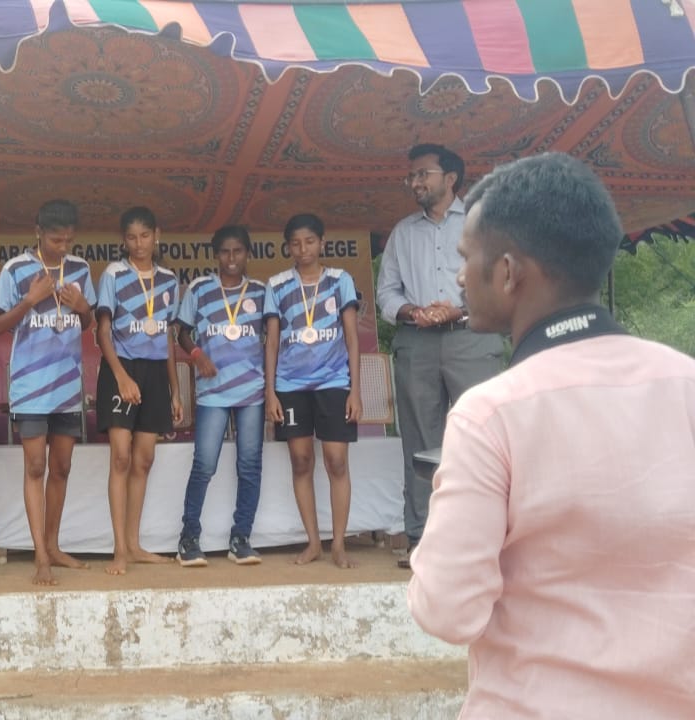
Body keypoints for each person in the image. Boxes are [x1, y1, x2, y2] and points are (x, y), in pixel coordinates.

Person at [407, 152, 695, 718]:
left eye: (466, 259)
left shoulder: (489, 416)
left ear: (508, 272)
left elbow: (446, 611)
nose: (460, 277)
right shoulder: (686, 384)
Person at [376, 143, 503, 567]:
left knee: (483, 436)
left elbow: (500, 282)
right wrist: (413, 311)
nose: (414, 182)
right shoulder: (402, 232)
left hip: (472, 336)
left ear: (450, 179)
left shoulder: (483, 222)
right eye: (411, 176)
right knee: (419, 442)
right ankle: (422, 540)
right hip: (417, 342)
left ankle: (485, 540)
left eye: (422, 174)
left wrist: (459, 310)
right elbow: (386, 292)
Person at [0, 200, 96, 585]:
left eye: (68, 240)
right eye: (55, 240)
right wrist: (30, 301)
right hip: (30, 387)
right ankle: (40, 556)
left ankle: (53, 546)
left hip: (68, 386)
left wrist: (83, 307)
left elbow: (87, 323)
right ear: (38, 232)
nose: (62, 247)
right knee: (36, 467)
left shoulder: (80, 269)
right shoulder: (15, 269)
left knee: (61, 467)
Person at [265, 214, 362, 569]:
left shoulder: (340, 280)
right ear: (288, 247)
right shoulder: (276, 285)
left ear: (322, 242)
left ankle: (339, 543)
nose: (302, 249)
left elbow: (352, 337)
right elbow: (271, 342)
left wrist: (355, 390)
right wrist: (271, 392)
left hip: (334, 383)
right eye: (295, 243)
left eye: (309, 241)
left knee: (337, 461)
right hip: (290, 386)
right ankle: (313, 542)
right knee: (301, 461)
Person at [174, 226, 270, 567]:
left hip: (252, 391)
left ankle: (241, 538)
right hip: (212, 392)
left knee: (250, 466)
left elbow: (273, 338)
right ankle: (188, 538)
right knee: (204, 464)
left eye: (238, 251)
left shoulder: (261, 292)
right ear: (216, 254)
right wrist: (197, 354)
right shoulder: (200, 289)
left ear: (248, 253)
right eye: (225, 251)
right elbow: (181, 333)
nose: (231, 258)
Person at [95, 206, 183, 576]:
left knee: (143, 459)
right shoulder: (114, 274)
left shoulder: (169, 280)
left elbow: (167, 338)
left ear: (156, 236)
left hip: (155, 372)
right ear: (123, 240)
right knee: (121, 457)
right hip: (122, 369)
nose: (139, 243)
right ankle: (119, 549)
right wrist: (121, 376)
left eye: (145, 236)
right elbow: (102, 331)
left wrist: (175, 390)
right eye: (131, 237)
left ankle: (134, 545)